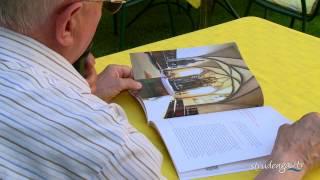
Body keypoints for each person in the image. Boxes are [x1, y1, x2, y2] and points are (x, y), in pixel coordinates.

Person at [0, 0, 319, 179]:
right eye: (109, 4)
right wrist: (291, 156)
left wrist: (84, 97)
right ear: (69, 22)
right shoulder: (111, 151)